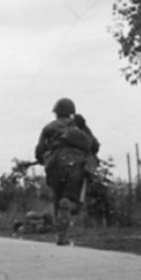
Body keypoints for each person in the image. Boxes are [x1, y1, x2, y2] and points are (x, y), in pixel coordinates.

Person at [34, 98, 100, 246]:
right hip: (75, 166)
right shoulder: (78, 127)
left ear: (56, 112)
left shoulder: (48, 128)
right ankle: (64, 225)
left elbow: (39, 151)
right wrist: (85, 127)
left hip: (53, 166)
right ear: (72, 113)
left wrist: (43, 159)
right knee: (71, 201)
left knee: (57, 198)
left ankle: (61, 236)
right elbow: (94, 146)